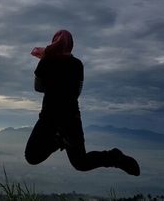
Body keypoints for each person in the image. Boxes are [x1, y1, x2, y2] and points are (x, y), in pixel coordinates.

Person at [25, 30, 140, 176]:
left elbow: (38, 88)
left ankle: (59, 140)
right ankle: (113, 157)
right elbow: (77, 92)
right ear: (70, 45)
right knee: (81, 163)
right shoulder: (77, 64)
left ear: (53, 43)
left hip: (49, 118)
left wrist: (52, 86)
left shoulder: (46, 61)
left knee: (32, 156)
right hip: (71, 119)